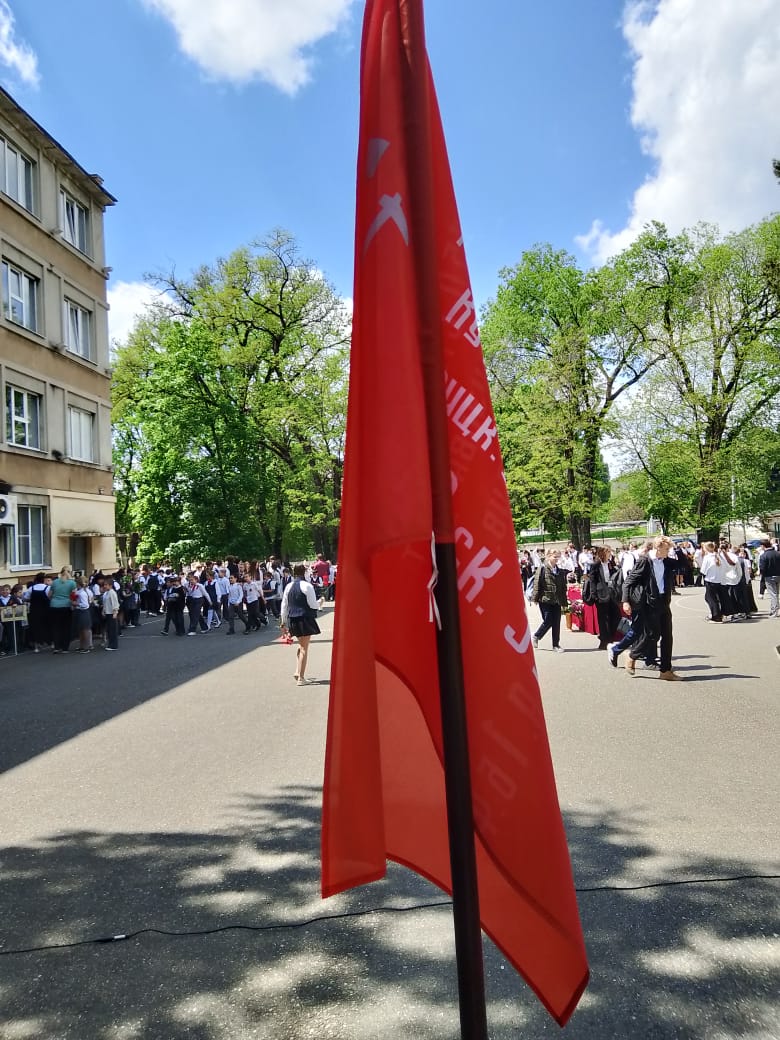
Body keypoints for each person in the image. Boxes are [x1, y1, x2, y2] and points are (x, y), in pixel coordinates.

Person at [622, 535, 681, 681]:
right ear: (658, 548)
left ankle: (665, 670)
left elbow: (684, 565)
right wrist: (625, 601)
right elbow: (628, 581)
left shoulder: (666, 561)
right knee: (653, 635)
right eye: (666, 549)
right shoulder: (645, 561)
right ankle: (632, 655)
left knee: (667, 636)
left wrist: (678, 550)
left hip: (664, 601)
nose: (668, 551)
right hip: (650, 603)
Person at [280, 563, 321, 685]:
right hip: (305, 618)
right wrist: (320, 602)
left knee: (301, 645)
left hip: (293, 619)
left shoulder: (289, 586)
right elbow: (313, 605)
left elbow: (284, 605)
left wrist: (283, 623)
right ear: (305, 572)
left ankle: (298, 671)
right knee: (304, 648)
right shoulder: (307, 586)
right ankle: (301, 678)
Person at [530, 549, 567, 653]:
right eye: (555, 557)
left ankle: (556, 645)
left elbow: (563, 587)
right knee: (548, 620)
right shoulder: (542, 568)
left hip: (556, 600)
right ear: (549, 556)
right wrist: (535, 598)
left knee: (556, 623)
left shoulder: (559, 571)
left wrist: (564, 602)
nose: (557, 559)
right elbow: (537, 583)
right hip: (545, 599)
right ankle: (537, 636)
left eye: (558, 557)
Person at [587, 546, 620, 650]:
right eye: (608, 551)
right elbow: (592, 580)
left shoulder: (611, 563)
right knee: (603, 619)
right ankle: (604, 641)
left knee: (616, 616)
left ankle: (610, 637)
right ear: (602, 553)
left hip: (611, 592)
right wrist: (594, 594)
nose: (610, 553)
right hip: (601, 593)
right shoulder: (596, 565)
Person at [48, 566, 77, 654]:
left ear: (60, 573)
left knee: (56, 627)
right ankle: (65, 648)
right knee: (66, 627)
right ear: (70, 573)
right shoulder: (72, 583)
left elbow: (49, 595)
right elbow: (74, 595)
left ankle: (57, 647)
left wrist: (54, 600)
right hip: (66, 606)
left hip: (54, 606)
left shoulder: (55, 582)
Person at [758, 539, 780, 617]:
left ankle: (774, 611)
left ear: (763, 546)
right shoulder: (777, 553)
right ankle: (774, 609)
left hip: (769, 576)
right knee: (776, 593)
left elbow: (762, 568)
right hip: (778, 575)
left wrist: (762, 575)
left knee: (773, 594)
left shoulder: (764, 556)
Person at [73, 575, 94, 653]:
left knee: (85, 629)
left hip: (83, 611)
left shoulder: (82, 593)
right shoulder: (80, 591)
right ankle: (82, 646)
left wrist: (76, 603)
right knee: (81, 630)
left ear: (78, 584)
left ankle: (86, 647)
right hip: (80, 611)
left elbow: (85, 605)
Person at [100, 578, 120, 650]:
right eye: (104, 585)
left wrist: (115, 612)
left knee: (112, 630)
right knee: (109, 629)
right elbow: (105, 603)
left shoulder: (112, 592)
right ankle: (111, 644)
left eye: (106, 585)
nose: (104, 586)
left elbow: (115, 603)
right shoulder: (107, 593)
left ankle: (113, 645)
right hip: (108, 613)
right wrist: (103, 610)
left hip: (112, 613)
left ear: (110, 585)